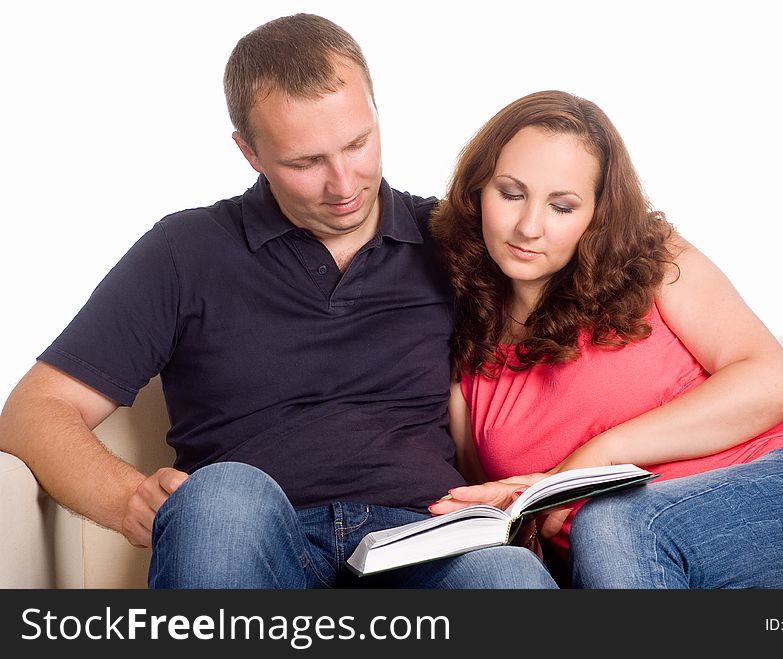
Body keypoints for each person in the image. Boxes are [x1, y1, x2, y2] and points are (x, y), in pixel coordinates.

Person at [0, 15, 558, 589]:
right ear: (250, 153)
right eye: (305, 163)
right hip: (251, 532)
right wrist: (125, 498)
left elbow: (598, 278)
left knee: (506, 574)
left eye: (358, 144)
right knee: (222, 492)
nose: (344, 185)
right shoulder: (183, 250)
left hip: (424, 539)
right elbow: (34, 410)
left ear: (375, 113)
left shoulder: (455, 237)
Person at [429, 90, 783, 588]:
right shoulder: (465, 345)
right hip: (641, 574)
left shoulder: (651, 257)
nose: (529, 226)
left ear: (597, 214)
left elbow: (773, 381)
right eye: (511, 194)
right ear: (476, 192)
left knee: (613, 522)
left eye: (562, 206)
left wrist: (591, 461)